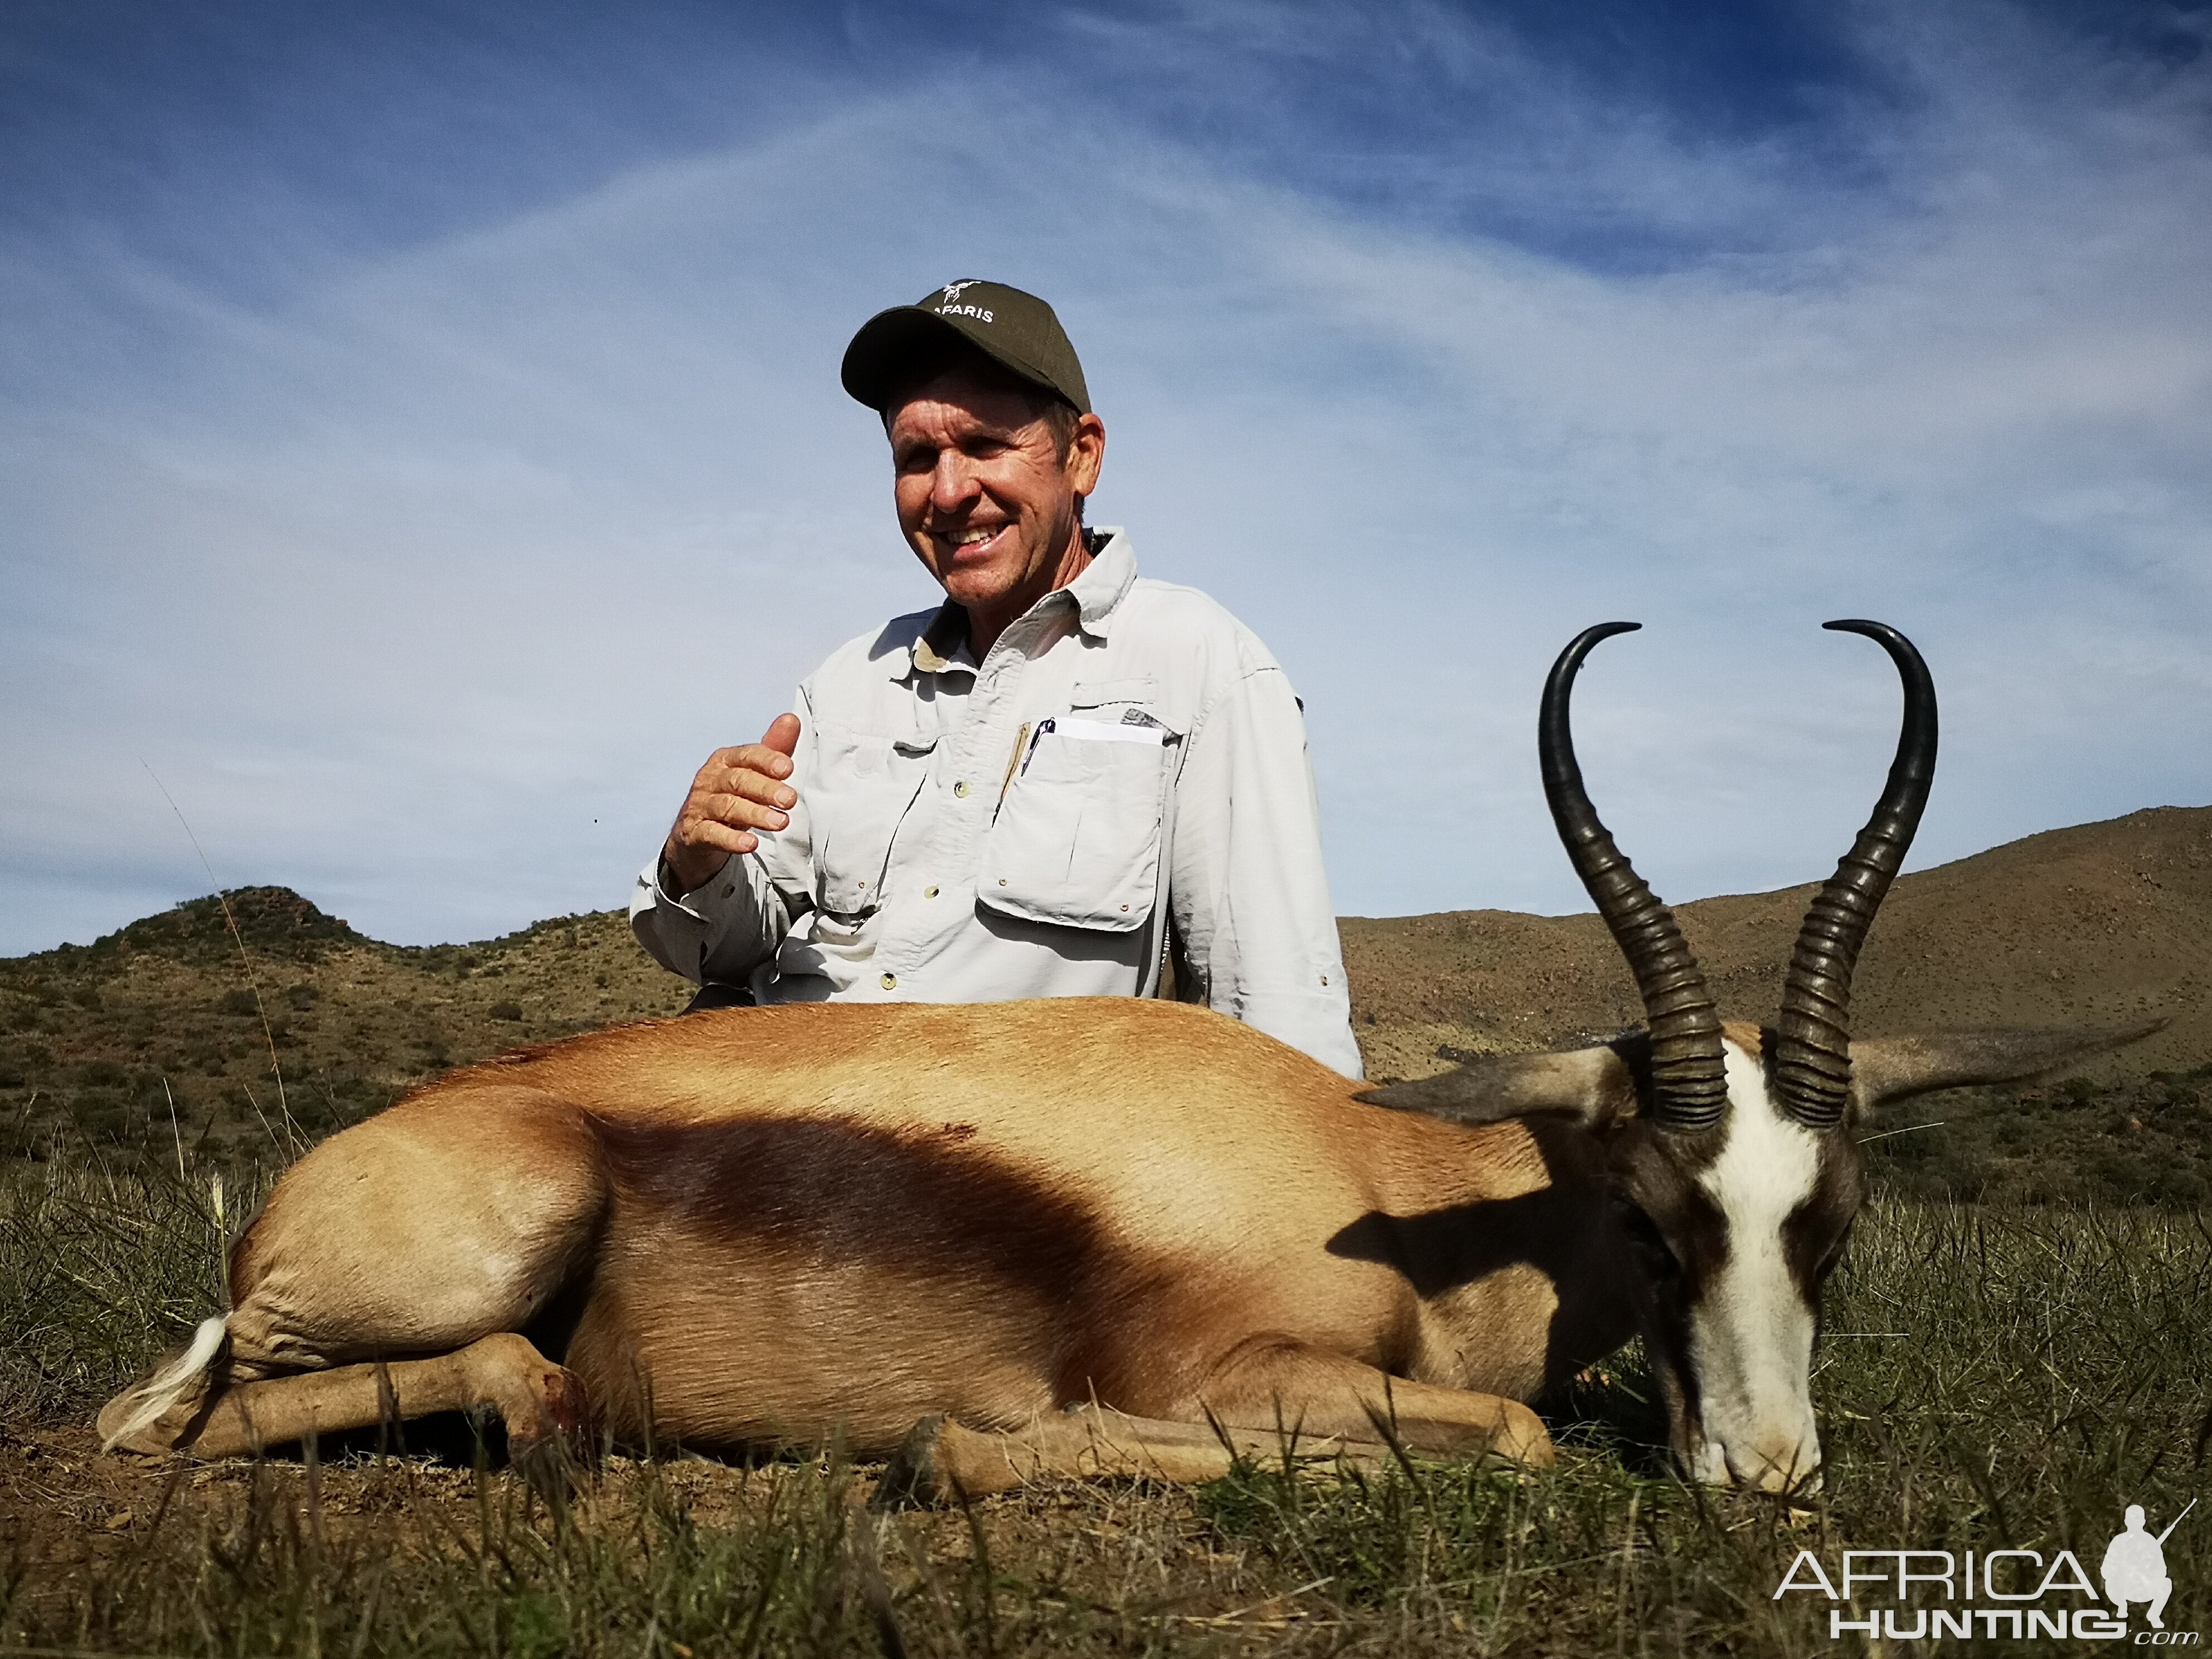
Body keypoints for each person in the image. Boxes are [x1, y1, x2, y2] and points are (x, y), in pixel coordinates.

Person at [630, 279, 1361, 1077]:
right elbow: (724, 951)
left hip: (989, 1169)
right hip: (773, 1110)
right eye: (917, 458)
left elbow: (1279, 1013)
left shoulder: (1202, 666)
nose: (948, 492)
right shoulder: (845, 684)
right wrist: (698, 861)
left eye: (984, 446)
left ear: (1082, 455)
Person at [2102, 1505, 2174, 1628]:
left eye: (2138, 1519)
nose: (2134, 1522)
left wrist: (2147, 1568)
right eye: (2131, 1519)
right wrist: (2122, 1568)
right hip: (2123, 1588)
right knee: (2111, 1583)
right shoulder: (2119, 1541)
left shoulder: (2150, 1541)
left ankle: (2154, 1615)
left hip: (2145, 1588)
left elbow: (2162, 1570)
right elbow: (2106, 1569)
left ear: (2143, 1522)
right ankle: (2122, 1606)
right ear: (2126, 1522)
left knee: (2166, 1584)